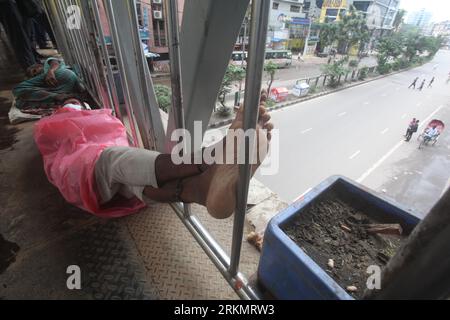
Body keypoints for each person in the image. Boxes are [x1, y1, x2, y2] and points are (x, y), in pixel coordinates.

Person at [34, 93, 274, 219]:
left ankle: (198, 189)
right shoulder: (52, 121)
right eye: (71, 102)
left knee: (131, 178)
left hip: (114, 186)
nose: (75, 104)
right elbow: (56, 143)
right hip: (78, 171)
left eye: (77, 102)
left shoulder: (95, 113)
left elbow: (112, 130)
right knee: (112, 158)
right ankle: (210, 156)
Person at [12, 57, 83, 110]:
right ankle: (60, 98)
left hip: (62, 74)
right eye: (33, 75)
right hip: (67, 85)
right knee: (20, 103)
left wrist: (51, 71)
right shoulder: (44, 80)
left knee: (18, 88)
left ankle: (57, 96)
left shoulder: (48, 64)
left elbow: (55, 62)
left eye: (34, 70)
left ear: (40, 66)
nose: (36, 73)